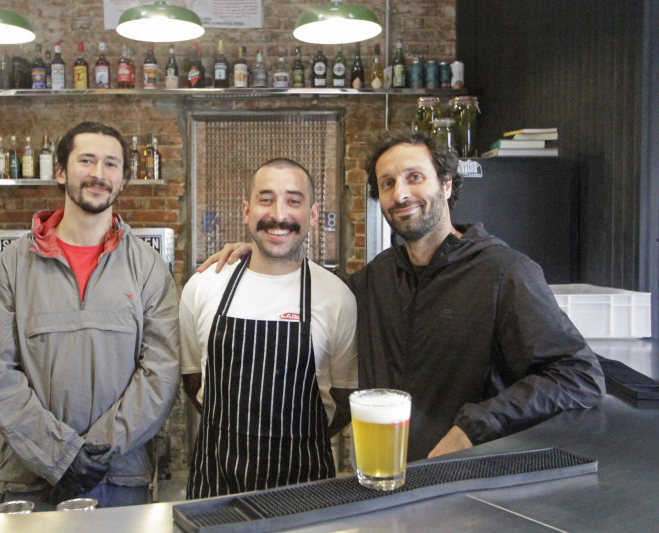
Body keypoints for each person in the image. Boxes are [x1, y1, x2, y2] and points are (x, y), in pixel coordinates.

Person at [199, 130, 605, 463]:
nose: (401, 194)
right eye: (388, 183)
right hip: (388, 477)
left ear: (446, 184)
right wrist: (265, 248)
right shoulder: (377, 277)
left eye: (415, 177)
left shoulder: (505, 272)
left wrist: (473, 427)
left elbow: (578, 376)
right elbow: (314, 291)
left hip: (471, 481)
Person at [0, 121, 180, 510]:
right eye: (87, 161)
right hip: (31, 480)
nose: (99, 174)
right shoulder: (13, 266)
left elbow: (161, 373)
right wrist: (60, 455)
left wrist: (97, 451)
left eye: (111, 164)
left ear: (123, 180)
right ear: (61, 171)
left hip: (119, 476)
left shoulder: (149, 268)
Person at [181, 158, 358, 499]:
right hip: (215, 487)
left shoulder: (337, 298)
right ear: (246, 211)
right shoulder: (203, 286)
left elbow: (345, 400)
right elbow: (193, 382)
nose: (279, 214)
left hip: (305, 488)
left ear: (313, 214)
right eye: (266, 199)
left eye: (294, 200)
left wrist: (303, 440)